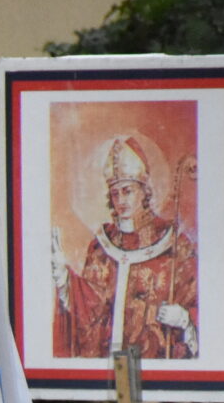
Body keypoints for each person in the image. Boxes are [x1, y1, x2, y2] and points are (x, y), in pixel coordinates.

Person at [53, 132, 201, 362]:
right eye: (115, 193)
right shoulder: (101, 247)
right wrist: (64, 278)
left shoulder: (175, 244)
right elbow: (90, 306)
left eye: (127, 191)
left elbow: (201, 301)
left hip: (155, 369)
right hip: (107, 371)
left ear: (144, 191)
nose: (121, 200)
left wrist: (184, 318)